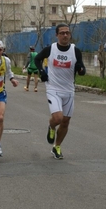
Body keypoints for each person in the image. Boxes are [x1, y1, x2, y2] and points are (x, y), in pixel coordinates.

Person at [34, 23, 86, 159]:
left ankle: (56, 146)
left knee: (65, 122)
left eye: (67, 33)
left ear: (70, 35)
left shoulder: (75, 51)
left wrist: (81, 69)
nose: (65, 35)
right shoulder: (50, 49)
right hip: (53, 88)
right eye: (62, 33)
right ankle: (51, 127)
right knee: (58, 118)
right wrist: (41, 72)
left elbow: (82, 69)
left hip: (69, 90)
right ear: (57, 35)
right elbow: (37, 59)